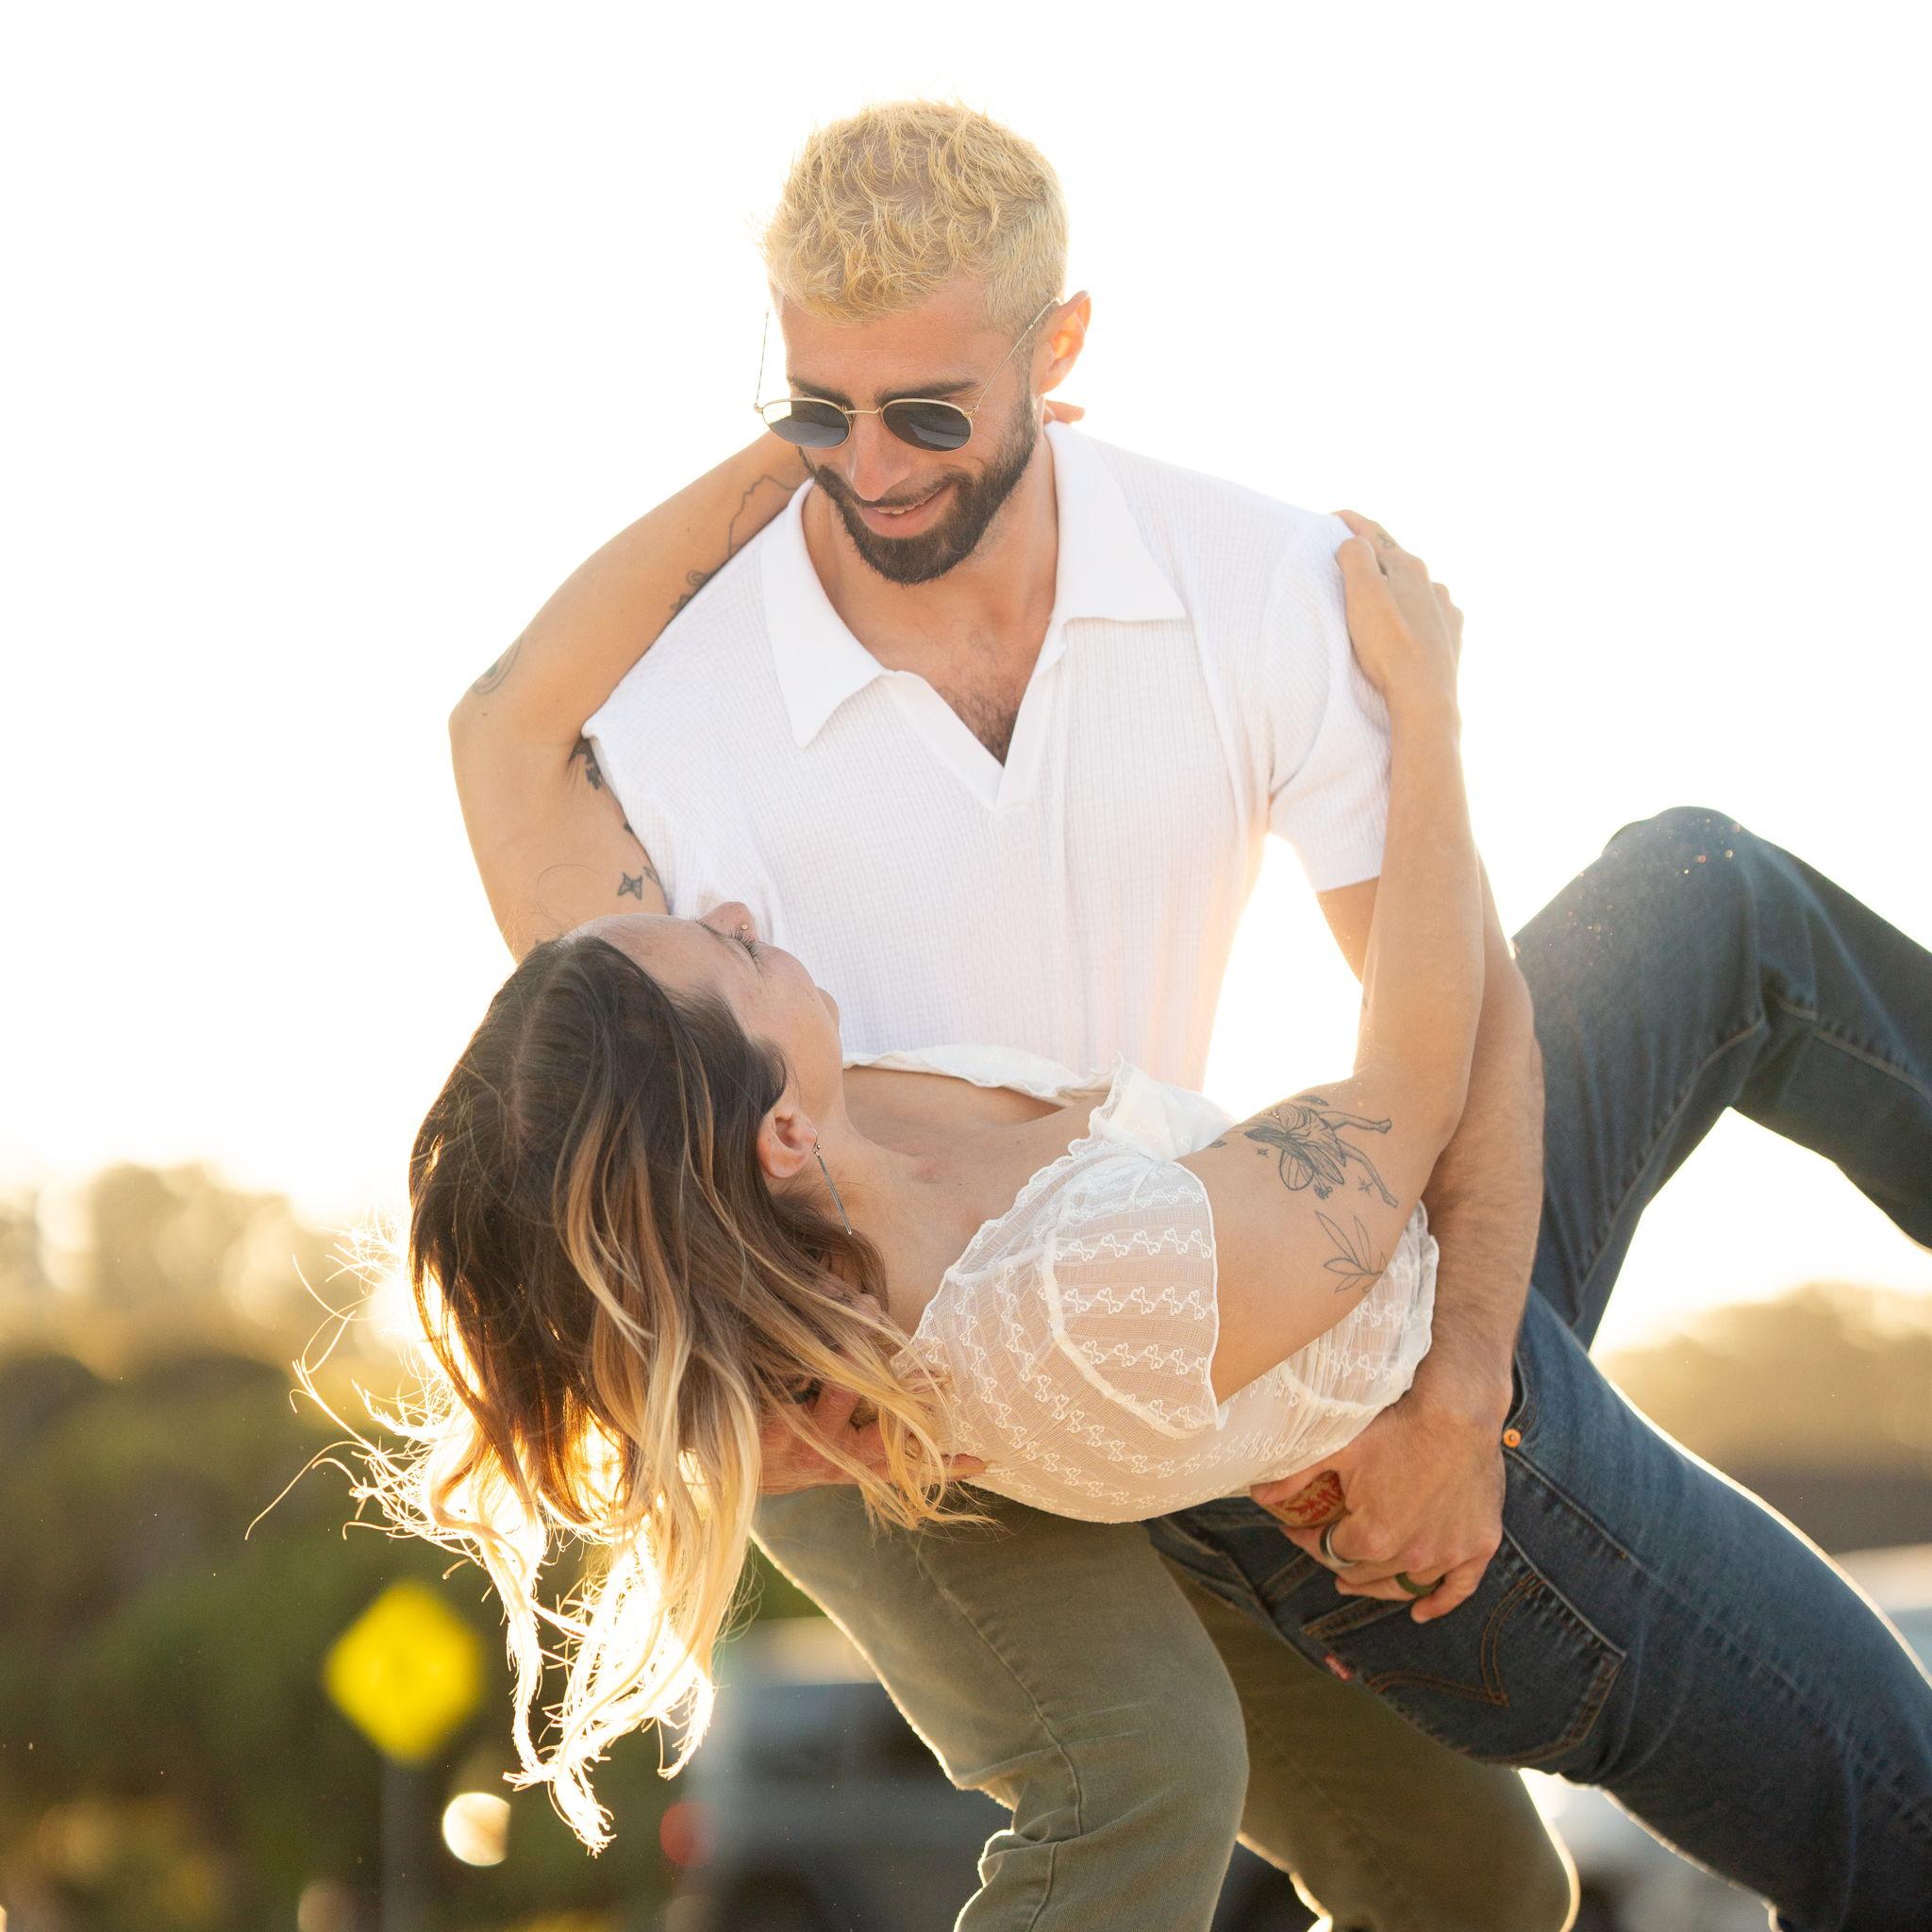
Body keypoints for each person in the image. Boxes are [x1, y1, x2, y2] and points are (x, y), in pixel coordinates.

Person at [433, 101, 1932, 1931]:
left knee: (1713, 898)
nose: (869, 471)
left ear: (1055, 351)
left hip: (1233, 1304)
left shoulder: (1247, 583)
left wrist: (1464, 1385)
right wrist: (836, 440)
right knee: (1148, 1767)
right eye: (819, 405)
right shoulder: (687, 721)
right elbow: (499, 734)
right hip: (989, 1364)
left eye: (929, 413)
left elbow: (1456, 1027)